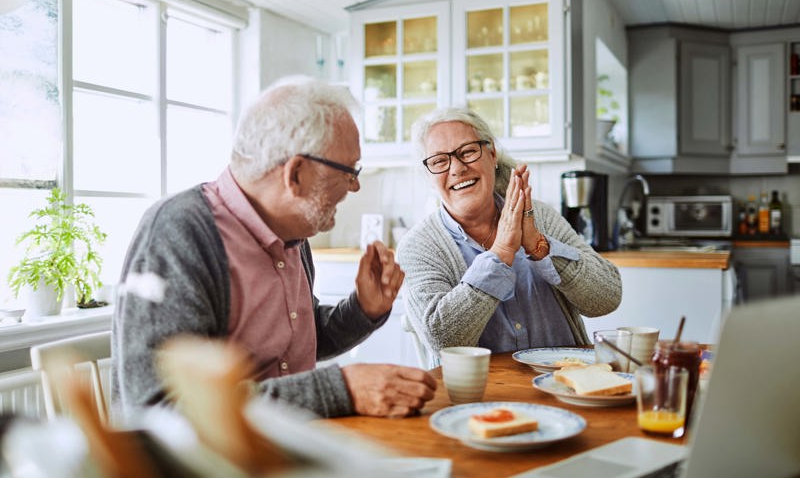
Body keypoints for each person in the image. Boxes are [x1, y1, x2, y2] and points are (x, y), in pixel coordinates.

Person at [111, 75, 436, 420]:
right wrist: (341, 390)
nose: (354, 186)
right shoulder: (179, 233)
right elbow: (158, 409)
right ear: (295, 174)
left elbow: (297, 344)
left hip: (290, 449)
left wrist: (362, 310)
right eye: (349, 171)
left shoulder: (292, 233)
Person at [396, 107, 622, 369]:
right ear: (428, 175)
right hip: (481, 401)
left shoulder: (539, 216)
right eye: (438, 161)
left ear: (491, 153)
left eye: (468, 151)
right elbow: (443, 339)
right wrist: (500, 252)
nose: (457, 168)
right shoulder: (418, 246)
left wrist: (541, 247)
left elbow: (607, 298)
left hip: (567, 382)